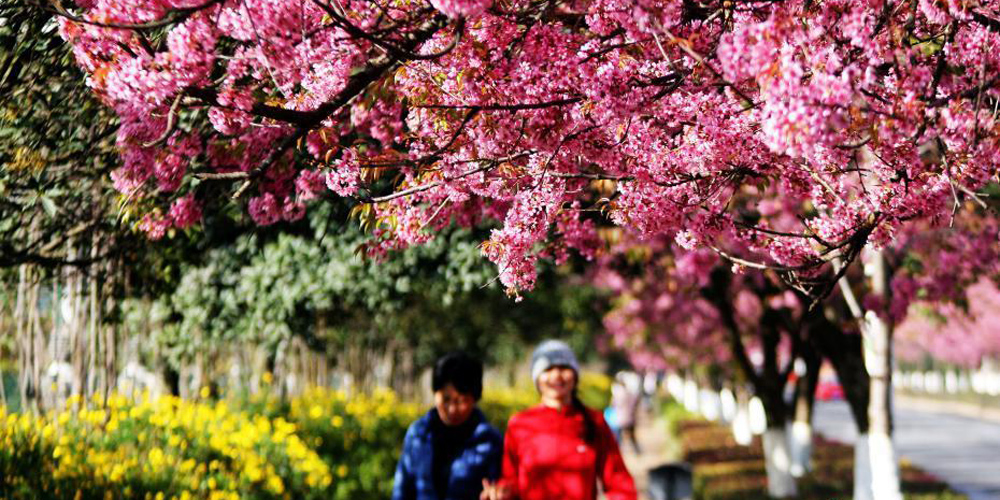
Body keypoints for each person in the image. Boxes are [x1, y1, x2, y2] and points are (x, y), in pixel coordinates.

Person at [481, 340, 637, 500]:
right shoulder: (519, 424)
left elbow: (619, 482)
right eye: (547, 369)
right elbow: (510, 479)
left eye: (563, 368)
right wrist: (501, 492)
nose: (556, 375)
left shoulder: (594, 421)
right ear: (537, 378)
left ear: (575, 375)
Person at [393, 352, 503, 500]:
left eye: (462, 400)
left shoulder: (490, 440)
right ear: (435, 393)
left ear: (475, 399)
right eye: (446, 399)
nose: (452, 409)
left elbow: (500, 487)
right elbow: (402, 489)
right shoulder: (418, 434)